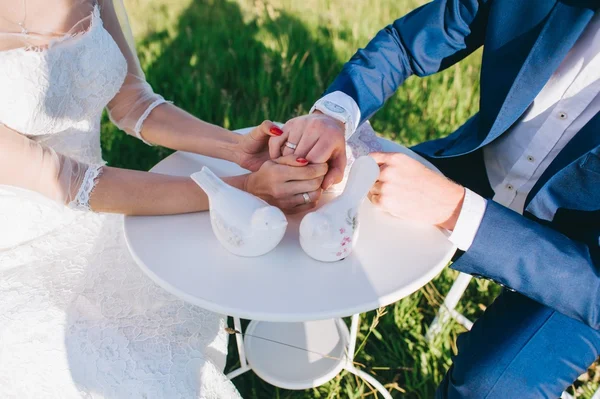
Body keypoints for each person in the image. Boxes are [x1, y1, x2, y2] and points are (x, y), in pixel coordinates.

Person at [0, 0, 327, 397]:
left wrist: (238, 150)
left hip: (102, 210)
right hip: (16, 244)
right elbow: (71, 180)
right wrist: (239, 188)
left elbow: (134, 104)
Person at [274, 1, 600, 397]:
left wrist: (455, 210)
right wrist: (335, 114)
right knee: (321, 196)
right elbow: (407, 43)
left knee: (488, 389)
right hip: (480, 170)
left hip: (583, 265)